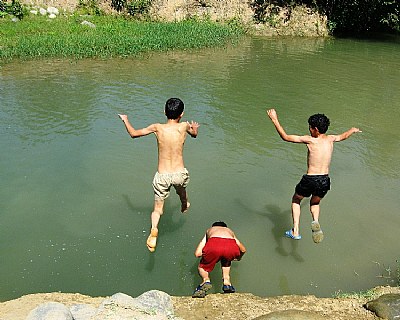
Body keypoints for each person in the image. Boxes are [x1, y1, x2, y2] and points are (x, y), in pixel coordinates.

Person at [267, 109, 361, 243]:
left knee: (296, 200)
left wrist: (274, 120)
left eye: (310, 128)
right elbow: (343, 136)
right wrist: (352, 130)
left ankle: (295, 231)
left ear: (315, 129)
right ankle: (315, 221)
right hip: (325, 180)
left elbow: (285, 137)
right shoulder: (331, 139)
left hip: (310, 179)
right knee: (315, 202)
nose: (309, 130)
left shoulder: (310, 140)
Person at [118, 98, 200, 252]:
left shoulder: (157, 128)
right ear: (182, 114)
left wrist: (126, 120)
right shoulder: (184, 126)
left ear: (164, 112)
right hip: (178, 173)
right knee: (181, 189)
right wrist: (195, 128)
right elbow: (194, 135)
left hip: (162, 175)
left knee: (157, 209)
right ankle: (184, 204)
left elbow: (134, 134)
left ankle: (154, 228)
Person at [192, 221, 247, 298]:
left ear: (213, 227)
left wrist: (207, 253)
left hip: (214, 244)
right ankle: (227, 283)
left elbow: (197, 254)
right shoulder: (230, 232)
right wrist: (238, 258)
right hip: (231, 246)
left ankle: (206, 280)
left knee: (202, 267)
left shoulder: (210, 230)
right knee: (227, 260)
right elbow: (243, 250)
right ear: (225, 227)